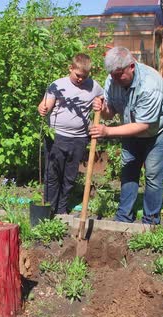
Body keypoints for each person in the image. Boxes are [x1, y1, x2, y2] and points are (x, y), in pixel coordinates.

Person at [90, 47, 163, 224]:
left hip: (158, 130)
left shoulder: (150, 85)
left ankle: (150, 221)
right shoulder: (113, 79)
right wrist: (103, 109)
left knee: (152, 174)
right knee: (129, 169)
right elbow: (111, 112)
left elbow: (144, 125)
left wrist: (107, 131)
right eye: (112, 75)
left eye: (118, 74)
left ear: (131, 66)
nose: (114, 79)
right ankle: (123, 218)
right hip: (130, 126)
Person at [37, 53, 104, 215]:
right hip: (57, 137)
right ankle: (50, 209)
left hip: (79, 139)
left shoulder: (94, 86)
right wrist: (42, 108)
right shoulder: (58, 85)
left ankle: (62, 209)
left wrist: (100, 102)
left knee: (70, 176)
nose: (81, 79)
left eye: (85, 76)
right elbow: (45, 105)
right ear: (71, 68)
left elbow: (103, 99)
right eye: (78, 75)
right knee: (53, 174)